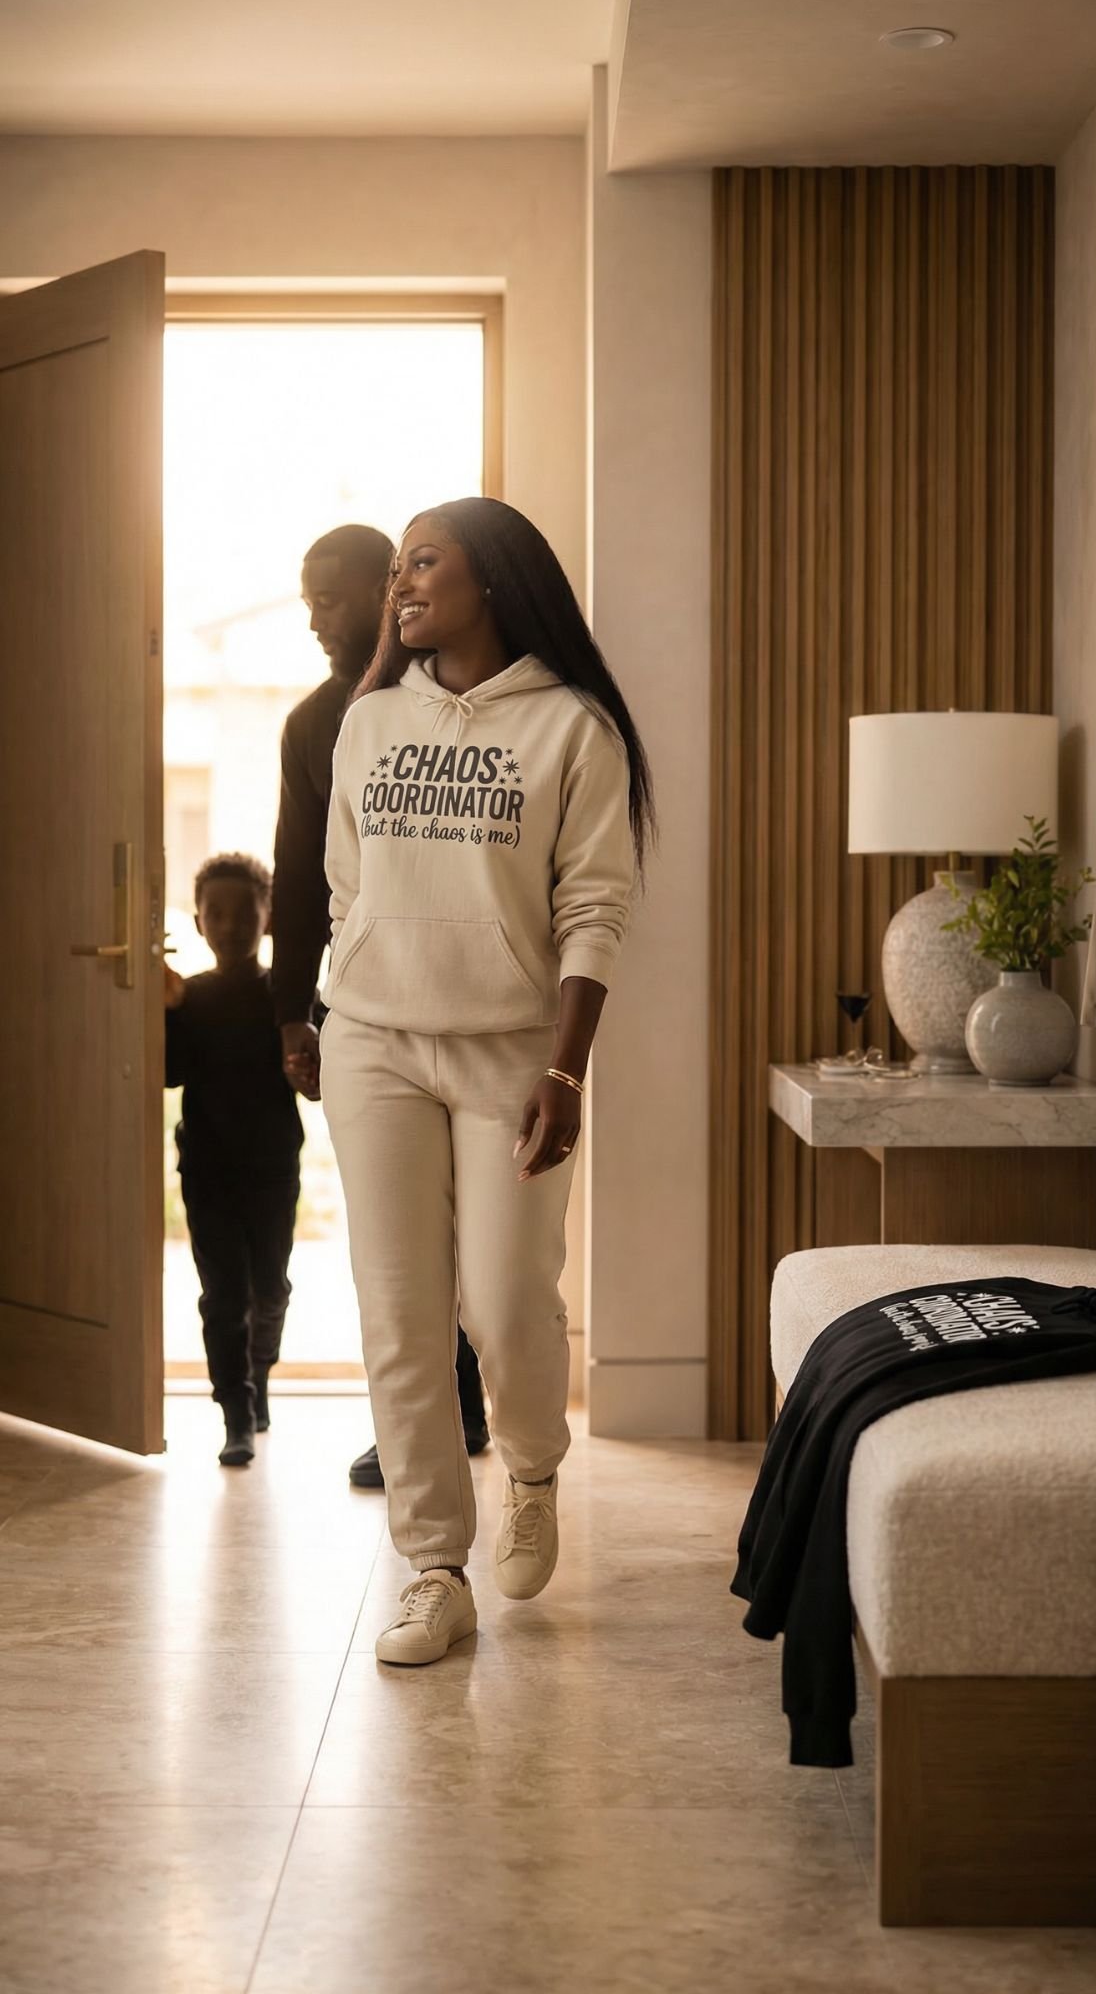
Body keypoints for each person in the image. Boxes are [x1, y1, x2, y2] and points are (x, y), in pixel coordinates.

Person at [319, 496, 655, 1665]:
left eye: (425, 561)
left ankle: (533, 1463)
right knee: (399, 1310)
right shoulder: (367, 723)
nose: (400, 580)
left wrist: (566, 1065)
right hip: (375, 1039)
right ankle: (431, 1568)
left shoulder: (573, 730)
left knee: (506, 1301)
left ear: (494, 583)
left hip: (513, 1047)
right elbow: (341, 889)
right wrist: (333, 1002)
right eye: (399, 566)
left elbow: (595, 908)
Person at [271, 523, 490, 1488]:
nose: (316, 618)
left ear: (387, 590)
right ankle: (426, 1426)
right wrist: (295, 1016)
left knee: (481, 1244)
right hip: (364, 1014)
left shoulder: (470, 702)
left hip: (481, 1017)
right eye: (307, 600)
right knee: (397, 1244)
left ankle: (477, 1405)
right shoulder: (316, 725)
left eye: (332, 597)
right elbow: (296, 883)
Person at [164, 854, 302, 1467]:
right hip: (208, 1173)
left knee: (269, 1288)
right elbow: (168, 1074)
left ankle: (259, 1374)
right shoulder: (189, 998)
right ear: (197, 922)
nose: (229, 924)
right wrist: (162, 1009)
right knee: (223, 1294)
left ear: (268, 919)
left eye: (244, 912)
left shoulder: (287, 996)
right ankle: (236, 1413)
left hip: (274, 1168)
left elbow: (318, 1071)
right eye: (214, 913)